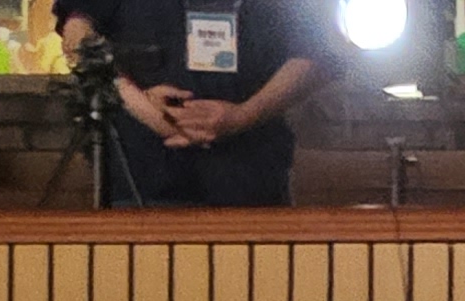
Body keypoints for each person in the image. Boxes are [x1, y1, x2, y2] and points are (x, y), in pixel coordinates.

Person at [52, 0, 326, 209]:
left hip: (252, 178)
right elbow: (76, 35)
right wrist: (137, 103)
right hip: (142, 177)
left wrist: (245, 115)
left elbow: (319, 54)